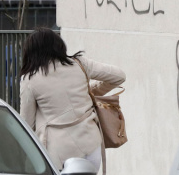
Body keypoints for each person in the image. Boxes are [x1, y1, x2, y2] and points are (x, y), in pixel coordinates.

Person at [19, 27, 126, 172]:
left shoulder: (30, 79)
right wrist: (90, 91)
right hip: (91, 146)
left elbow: (27, 125)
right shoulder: (79, 64)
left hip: (59, 154)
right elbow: (119, 76)